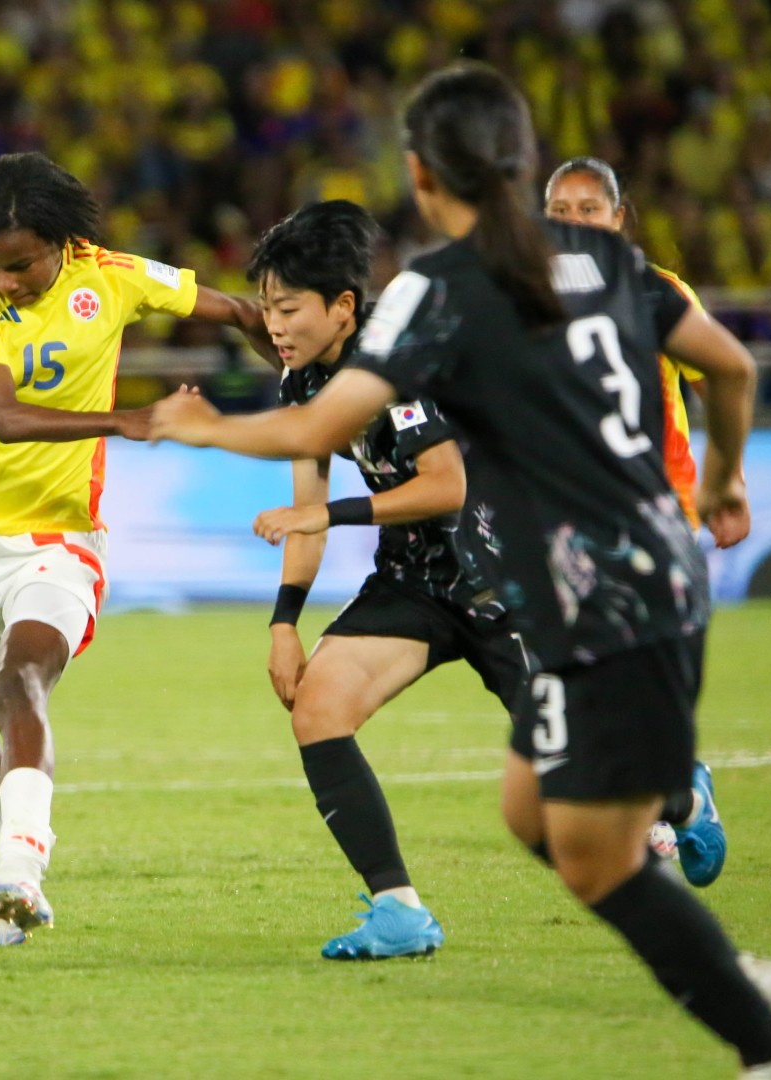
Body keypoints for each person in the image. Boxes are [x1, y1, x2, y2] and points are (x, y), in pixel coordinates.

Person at [152, 64, 771, 1078]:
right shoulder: (604, 263)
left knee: (592, 840)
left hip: (550, 584)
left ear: (423, 176)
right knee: (521, 808)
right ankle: (416, 905)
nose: (280, 320)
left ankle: (763, 1031)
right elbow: (731, 366)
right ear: (520, 161)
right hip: (602, 569)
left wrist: (213, 428)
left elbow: (368, 450)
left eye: (290, 306)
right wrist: (726, 483)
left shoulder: (438, 290)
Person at [0, 151, 275, 945]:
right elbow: (4, 416)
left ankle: (20, 873)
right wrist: (130, 420)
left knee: (24, 678)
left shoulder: (109, 277)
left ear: (64, 244)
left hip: (61, 539)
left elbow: (239, 312)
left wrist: (302, 366)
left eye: (22, 265)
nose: (6, 282)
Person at [246, 200, 528, 959]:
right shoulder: (302, 382)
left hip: (508, 573)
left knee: (577, 755)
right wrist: (283, 621)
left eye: (289, 308)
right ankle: (399, 910)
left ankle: (678, 790)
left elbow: (448, 485)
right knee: (319, 708)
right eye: (268, 308)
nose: (275, 325)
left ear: (342, 308)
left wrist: (332, 515)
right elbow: (305, 512)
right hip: (418, 579)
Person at [544, 157, 732, 887]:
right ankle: (680, 791)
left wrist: (730, 474)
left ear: (618, 219)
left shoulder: (656, 291)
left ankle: (663, 809)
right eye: (559, 209)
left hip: (660, 511)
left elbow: (720, 373)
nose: (572, 222)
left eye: (588, 210)